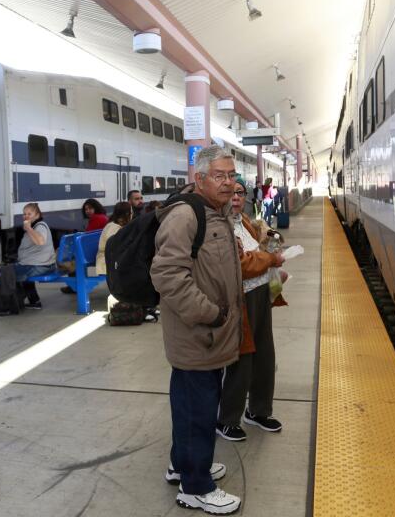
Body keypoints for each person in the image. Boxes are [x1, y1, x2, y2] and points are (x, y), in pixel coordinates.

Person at [151, 146, 243, 514]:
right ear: (199, 178)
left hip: (210, 334)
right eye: (219, 176)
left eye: (231, 175)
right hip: (198, 333)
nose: (228, 183)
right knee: (199, 410)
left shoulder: (215, 214)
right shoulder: (186, 216)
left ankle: (183, 464)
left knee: (190, 404)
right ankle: (196, 486)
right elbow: (167, 274)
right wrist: (211, 314)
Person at [216, 181, 285, 441]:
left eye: (240, 193)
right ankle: (227, 419)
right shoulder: (219, 226)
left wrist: (270, 253)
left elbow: (256, 251)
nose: (235, 197)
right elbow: (241, 265)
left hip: (260, 293)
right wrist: (271, 259)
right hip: (239, 299)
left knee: (265, 356)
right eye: (230, 192)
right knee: (241, 360)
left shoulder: (243, 220)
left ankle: (258, 411)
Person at [14, 202, 56, 310]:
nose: (26, 216)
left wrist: (28, 229)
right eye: (24, 214)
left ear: (37, 215)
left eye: (29, 214)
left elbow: (40, 241)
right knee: (19, 268)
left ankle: (14, 302)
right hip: (42, 264)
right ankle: (33, 301)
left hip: (41, 266)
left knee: (9, 272)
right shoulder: (36, 226)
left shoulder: (40, 226)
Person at [96, 201, 132, 276]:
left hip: (113, 259)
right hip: (107, 261)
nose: (132, 214)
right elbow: (113, 248)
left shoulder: (118, 225)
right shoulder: (113, 227)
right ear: (127, 214)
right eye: (131, 212)